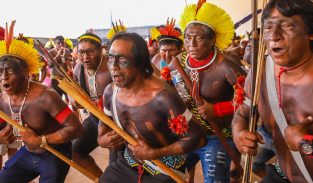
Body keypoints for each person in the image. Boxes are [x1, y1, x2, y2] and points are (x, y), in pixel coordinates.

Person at [232, 0, 313, 182]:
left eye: (287, 26)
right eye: (268, 27)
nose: (274, 36)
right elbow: (242, 114)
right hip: (282, 176)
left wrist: (305, 142)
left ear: (311, 32)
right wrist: (238, 133)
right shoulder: (260, 72)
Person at [98, 32, 206, 183]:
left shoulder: (163, 97)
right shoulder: (110, 91)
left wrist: (155, 153)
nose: (113, 67)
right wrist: (102, 138)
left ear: (140, 62)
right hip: (128, 163)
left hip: (165, 170)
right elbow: (104, 121)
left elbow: (198, 137)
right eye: (110, 58)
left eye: (122, 60)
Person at [170, 1, 246, 182]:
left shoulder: (226, 66)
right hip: (187, 134)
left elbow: (252, 100)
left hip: (218, 136)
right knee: (166, 174)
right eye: (187, 38)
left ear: (213, 39)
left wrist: (218, 110)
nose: (192, 44)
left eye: (200, 38)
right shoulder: (178, 63)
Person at [0, 22, 82, 183]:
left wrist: (41, 140)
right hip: (29, 153)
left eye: (10, 71)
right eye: (0, 72)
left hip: (55, 153)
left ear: (25, 71)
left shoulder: (46, 96)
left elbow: (76, 128)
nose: (4, 78)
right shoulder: (2, 98)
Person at [71, 32, 112, 178]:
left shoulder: (112, 68)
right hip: (95, 120)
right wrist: (75, 100)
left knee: (115, 165)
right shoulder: (78, 68)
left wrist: (101, 104)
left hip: (117, 123)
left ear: (100, 50)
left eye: (90, 52)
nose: (85, 57)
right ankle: (102, 180)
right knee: (75, 150)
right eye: (82, 52)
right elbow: (75, 94)